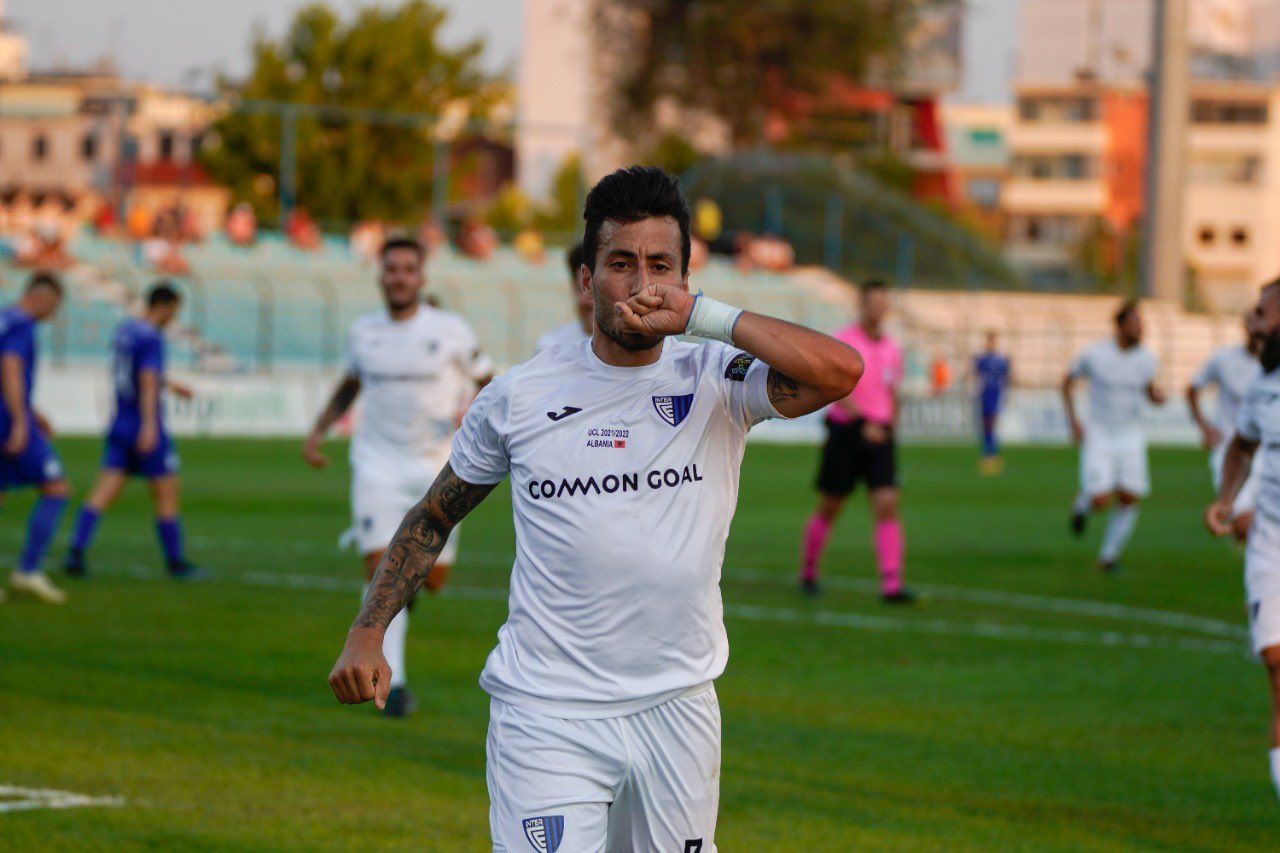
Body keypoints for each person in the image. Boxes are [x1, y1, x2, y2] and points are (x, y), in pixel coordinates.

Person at [327, 166, 863, 849]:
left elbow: (840, 371)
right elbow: (435, 514)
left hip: (679, 705)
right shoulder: (518, 397)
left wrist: (705, 318)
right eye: (620, 263)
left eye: (660, 266)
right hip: (547, 709)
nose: (642, 284)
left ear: (684, 280)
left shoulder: (715, 382)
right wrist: (368, 631)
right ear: (586, 279)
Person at [307, 236, 493, 719]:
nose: (399, 277)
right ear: (381, 274)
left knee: (430, 579)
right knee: (381, 567)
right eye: (391, 269)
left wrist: (473, 410)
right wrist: (320, 428)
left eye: (408, 269)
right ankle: (396, 681)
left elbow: (488, 381)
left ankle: (402, 607)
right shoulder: (363, 333)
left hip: (440, 467)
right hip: (377, 465)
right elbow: (351, 383)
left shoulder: (450, 330)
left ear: (421, 276)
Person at [63, 283, 199, 578]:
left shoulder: (126, 331)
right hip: (144, 423)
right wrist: (150, 425)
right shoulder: (152, 338)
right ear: (163, 306)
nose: (174, 318)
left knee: (102, 493)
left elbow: (134, 373)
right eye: (174, 311)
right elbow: (147, 380)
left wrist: (171, 386)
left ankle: (75, 551)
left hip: (121, 421)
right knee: (165, 494)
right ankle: (176, 562)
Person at [1205, 276, 1280, 800]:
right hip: (1271, 552)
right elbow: (1241, 447)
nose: (1254, 324)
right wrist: (1228, 497)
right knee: (1279, 668)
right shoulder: (1265, 385)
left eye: (1263, 313)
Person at [799, 279, 914, 603]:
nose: (878, 309)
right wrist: (862, 422)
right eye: (872, 303)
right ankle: (808, 569)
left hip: (881, 434)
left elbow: (893, 392)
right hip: (848, 431)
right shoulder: (844, 341)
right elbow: (836, 388)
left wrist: (892, 426)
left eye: (882, 303)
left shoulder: (892, 348)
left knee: (887, 503)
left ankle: (892, 583)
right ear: (862, 306)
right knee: (831, 505)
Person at [1063, 299, 1165, 573]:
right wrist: (1073, 422)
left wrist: (1156, 397)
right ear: (1120, 326)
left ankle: (1108, 557)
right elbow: (1067, 382)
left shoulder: (1148, 359)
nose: (1141, 330)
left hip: (1131, 433)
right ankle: (1082, 505)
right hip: (1099, 432)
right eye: (1135, 324)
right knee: (1100, 500)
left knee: (1130, 496)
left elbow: (1149, 390)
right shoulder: (1095, 354)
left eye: (1142, 325)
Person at [1, 273, 70, 604]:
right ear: (40, 297)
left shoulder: (4, 318)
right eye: (54, 307)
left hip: (11, 412)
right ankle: (27, 570)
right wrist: (19, 420)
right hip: (8, 419)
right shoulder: (22, 324)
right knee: (56, 489)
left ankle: (27, 570)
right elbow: (10, 368)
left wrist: (32, 410)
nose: (53, 315)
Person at [1189, 314, 1261, 540]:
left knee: (1259, 527)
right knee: (1244, 523)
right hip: (1231, 451)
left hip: (1270, 455)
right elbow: (1192, 388)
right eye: (1255, 318)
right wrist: (1205, 427)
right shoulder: (1224, 359)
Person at [534, 243, 592, 353]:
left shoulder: (631, 354)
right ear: (573, 288)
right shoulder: (549, 348)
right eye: (584, 289)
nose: (591, 303)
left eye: (599, 291)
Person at [973, 331, 1012, 475]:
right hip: (984, 393)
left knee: (992, 424)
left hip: (995, 393)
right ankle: (987, 454)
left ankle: (992, 454)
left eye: (992, 341)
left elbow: (1007, 377)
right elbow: (976, 374)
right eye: (988, 340)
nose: (990, 343)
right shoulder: (981, 359)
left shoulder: (1001, 360)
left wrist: (1006, 394)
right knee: (985, 425)